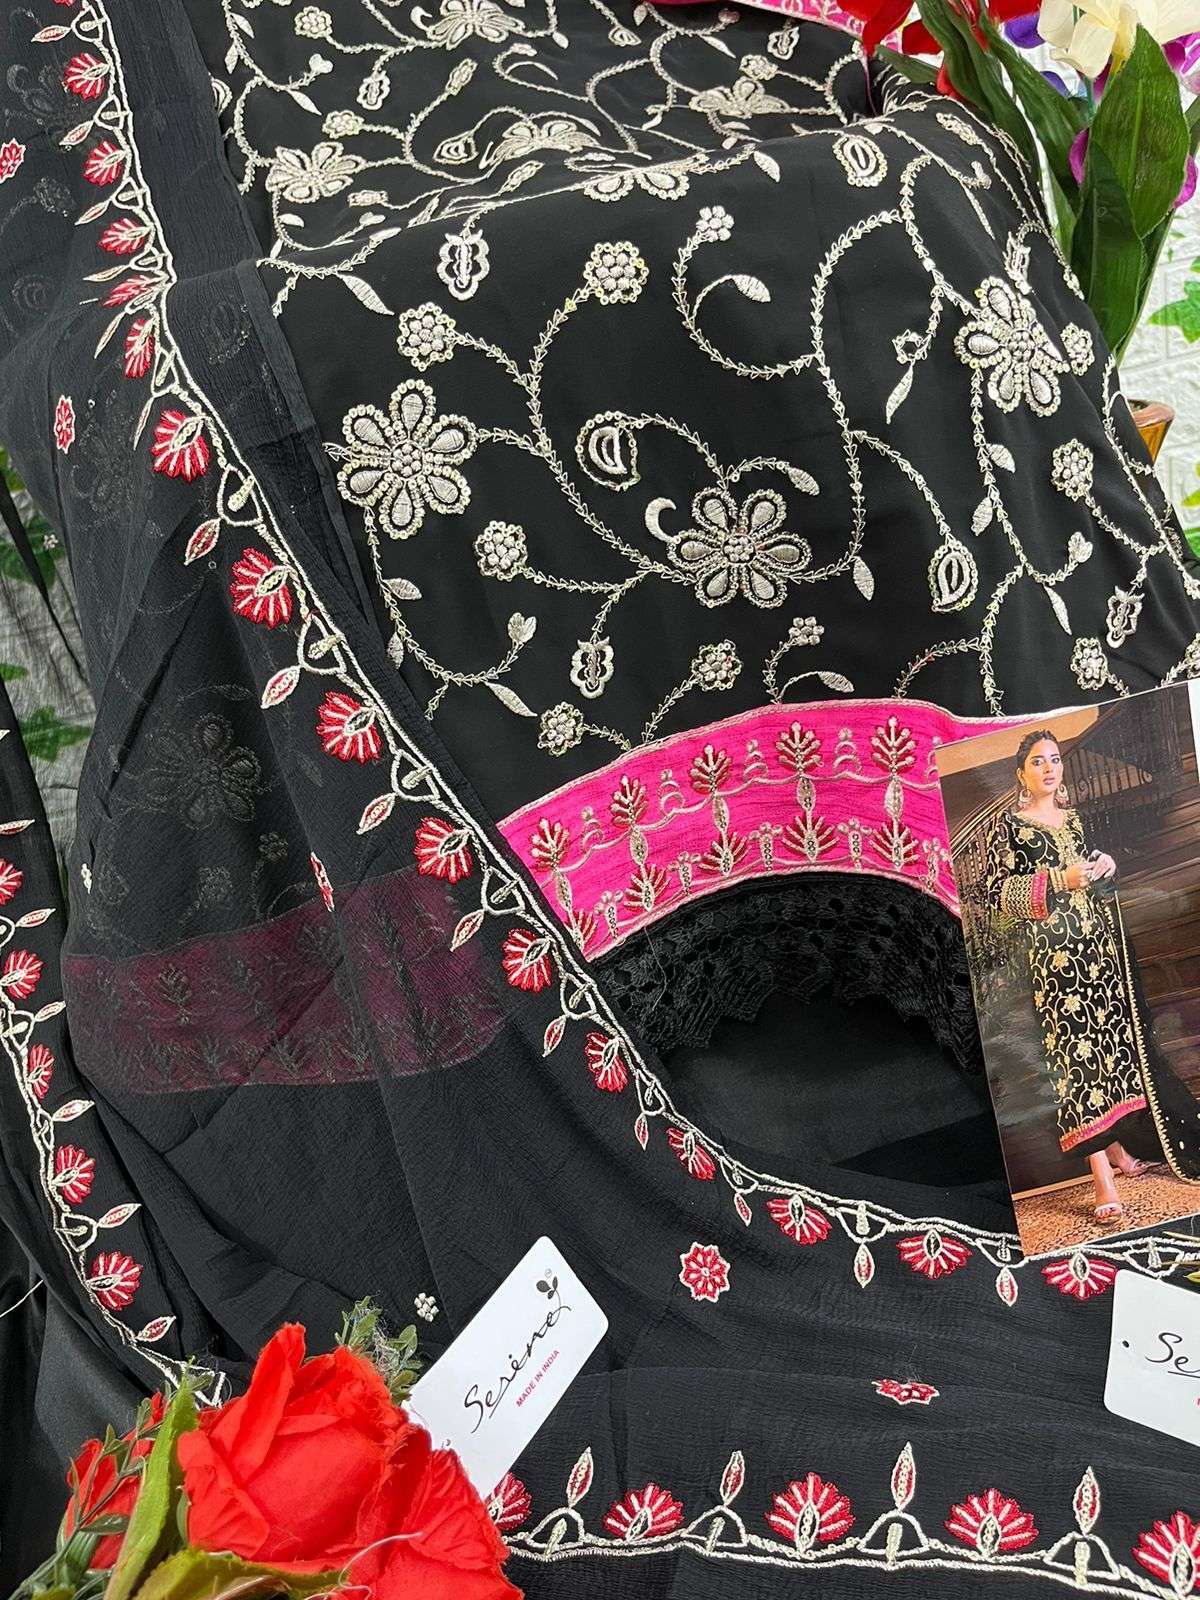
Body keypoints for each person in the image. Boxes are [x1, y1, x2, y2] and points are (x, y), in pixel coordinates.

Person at [986, 729, 1200, 1219]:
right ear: (1021, 773)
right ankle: (1101, 1177)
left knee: (1112, 1053)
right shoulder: (1011, 828)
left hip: (1100, 953)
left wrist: (1106, 866)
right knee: (1076, 1064)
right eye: (1037, 761)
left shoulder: (1075, 819)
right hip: (1056, 962)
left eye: (1055, 759)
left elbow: (1097, 884)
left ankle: (1119, 1151)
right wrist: (1059, 879)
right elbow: (998, 897)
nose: (1049, 768)